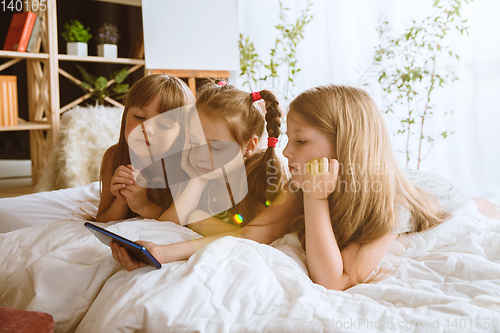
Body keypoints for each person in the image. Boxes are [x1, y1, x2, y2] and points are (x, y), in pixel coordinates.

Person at [112, 84, 499, 292]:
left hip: (427, 189)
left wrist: (315, 198)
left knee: (478, 206)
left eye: (301, 142)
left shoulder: (388, 199)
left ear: (344, 144)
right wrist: (163, 251)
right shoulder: (295, 185)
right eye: (289, 139)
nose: (286, 152)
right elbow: (252, 232)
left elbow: (337, 279)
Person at [96, 74, 195, 222]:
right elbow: (102, 220)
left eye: (163, 125)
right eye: (139, 117)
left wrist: (143, 206)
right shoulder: (115, 156)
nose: (147, 128)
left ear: (181, 135)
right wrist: (123, 199)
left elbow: (185, 222)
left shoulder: (187, 165)